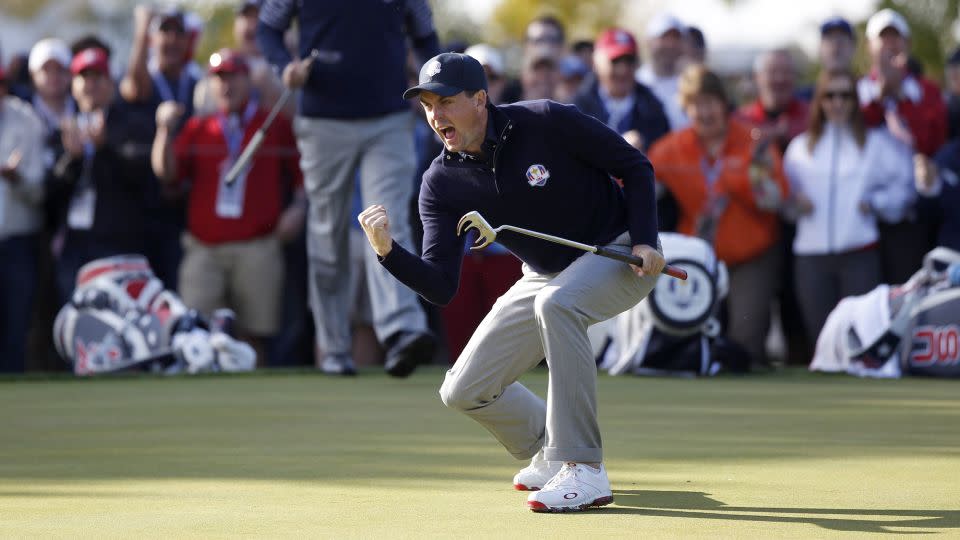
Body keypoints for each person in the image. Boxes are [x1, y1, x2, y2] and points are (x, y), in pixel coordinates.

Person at [358, 53, 666, 512]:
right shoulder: (439, 182)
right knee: (463, 390)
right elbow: (441, 285)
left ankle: (583, 468)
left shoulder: (546, 120)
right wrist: (387, 251)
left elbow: (636, 166)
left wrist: (645, 240)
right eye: (426, 104)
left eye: (445, 101)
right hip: (544, 276)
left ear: (480, 99)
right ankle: (549, 444)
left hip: (618, 253)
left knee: (557, 306)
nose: (435, 114)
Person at [257, 0, 440, 376]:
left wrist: (436, 88)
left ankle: (402, 330)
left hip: (389, 117)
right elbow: (267, 28)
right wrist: (284, 67)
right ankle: (334, 346)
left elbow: (425, 37)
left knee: (388, 221)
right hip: (323, 121)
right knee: (328, 232)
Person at [151, 49, 305, 366]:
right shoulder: (199, 126)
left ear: (247, 80)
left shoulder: (272, 123)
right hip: (204, 248)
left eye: (233, 76)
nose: (226, 85)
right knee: (198, 333)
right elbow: (167, 173)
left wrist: (299, 208)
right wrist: (164, 131)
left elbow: (303, 174)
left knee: (253, 335)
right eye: (219, 78)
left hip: (258, 244)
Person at [648, 64, 789, 367]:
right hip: (699, 257)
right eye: (695, 105)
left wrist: (738, 181)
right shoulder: (671, 148)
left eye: (710, 102)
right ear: (685, 109)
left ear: (724, 103)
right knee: (690, 331)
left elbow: (776, 199)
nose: (704, 112)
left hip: (751, 255)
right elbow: (636, 184)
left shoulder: (755, 142)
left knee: (745, 339)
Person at [784, 69, 914, 346]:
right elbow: (784, 200)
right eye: (830, 96)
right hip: (811, 258)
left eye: (845, 95)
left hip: (859, 256)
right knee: (821, 344)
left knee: (861, 343)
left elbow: (905, 186)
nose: (838, 102)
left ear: (855, 101)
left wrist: (877, 203)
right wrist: (794, 204)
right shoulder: (800, 149)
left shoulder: (874, 144)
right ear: (819, 101)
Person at [48, 47, 150, 304]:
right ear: (74, 85)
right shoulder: (65, 128)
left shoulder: (131, 124)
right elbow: (50, 193)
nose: (90, 85)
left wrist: (106, 148)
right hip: (74, 247)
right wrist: (72, 159)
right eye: (84, 78)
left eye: (97, 78)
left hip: (118, 248)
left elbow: (142, 180)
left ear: (110, 83)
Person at [858, 8, 947, 284]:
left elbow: (934, 142)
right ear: (870, 46)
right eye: (882, 39)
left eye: (896, 38)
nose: (890, 45)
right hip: (865, 219)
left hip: (912, 220)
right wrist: (879, 98)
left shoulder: (927, 91)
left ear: (907, 43)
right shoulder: (855, 90)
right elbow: (852, 134)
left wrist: (901, 100)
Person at [0, 64, 45, 373]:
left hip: (17, 244)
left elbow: (39, 193)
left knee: (14, 334)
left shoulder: (26, 120)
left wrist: (17, 179)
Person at [573, 28, 670, 152]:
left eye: (629, 61)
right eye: (615, 61)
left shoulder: (654, 110)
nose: (623, 70)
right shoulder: (576, 109)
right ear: (596, 63)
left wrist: (644, 151)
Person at [636, 13, 689, 130]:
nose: (670, 44)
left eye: (676, 38)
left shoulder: (691, 84)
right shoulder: (635, 83)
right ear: (648, 41)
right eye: (664, 37)